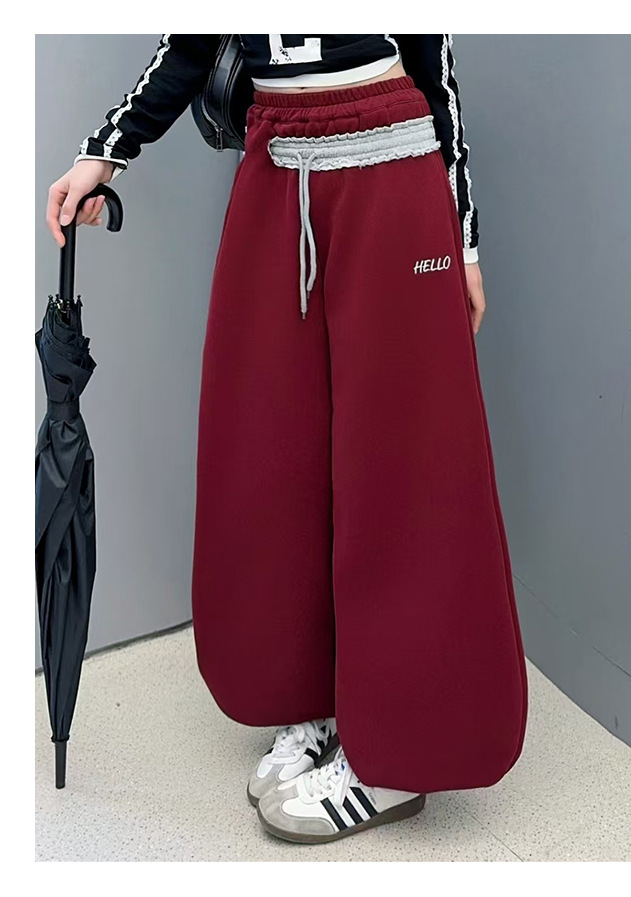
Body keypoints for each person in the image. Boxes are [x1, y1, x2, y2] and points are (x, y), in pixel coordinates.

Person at [46, 35, 529, 845]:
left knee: (402, 464)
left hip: (387, 161)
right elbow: (193, 43)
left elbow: (431, 62)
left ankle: (399, 756)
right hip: (276, 162)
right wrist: (106, 153)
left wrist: (464, 237)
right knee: (274, 449)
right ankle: (324, 702)